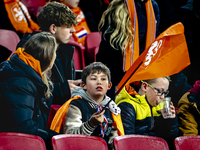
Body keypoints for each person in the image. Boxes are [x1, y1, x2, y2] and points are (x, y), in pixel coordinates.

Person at [0, 32, 59, 150]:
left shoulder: (25, 71)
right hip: (15, 143)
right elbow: (23, 127)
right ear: (48, 59)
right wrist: (53, 139)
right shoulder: (21, 82)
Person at [17, 1, 82, 105]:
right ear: (53, 28)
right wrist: (63, 89)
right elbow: (27, 87)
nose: (73, 30)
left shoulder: (64, 50)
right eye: (68, 26)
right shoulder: (31, 49)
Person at [96, 0, 160, 97]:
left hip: (144, 77)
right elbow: (107, 55)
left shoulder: (153, 7)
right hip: (119, 80)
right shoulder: (119, 8)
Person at [64, 62, 124, 150]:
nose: (99, 82)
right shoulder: (76, 105)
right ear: (83, 85)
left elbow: (112, 139)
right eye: (93, 78)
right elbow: (71, 138)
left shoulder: (112, 108)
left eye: (103, 79)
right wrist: (90, 124)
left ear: (109, 85)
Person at [115, 77, 179, 149]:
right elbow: (127, 141)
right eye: (160, 91)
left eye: (165, 93)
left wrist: (171, 120)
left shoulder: (159, 108)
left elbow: (169, 139)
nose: (162, 97)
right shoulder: (127, 106)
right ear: (145, 87)